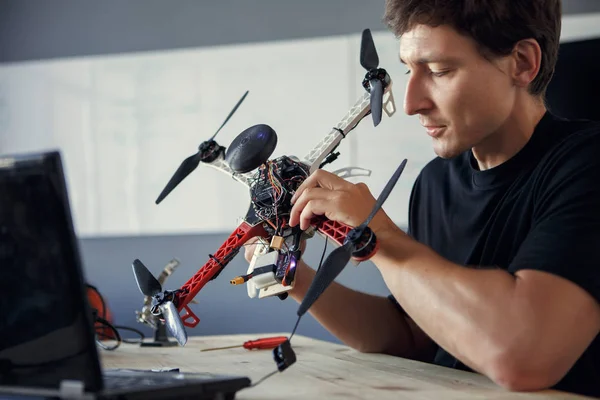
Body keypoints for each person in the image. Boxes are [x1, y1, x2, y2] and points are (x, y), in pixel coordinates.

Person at [245, 0, 600, 396]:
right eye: (408, 70)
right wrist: (292, 275)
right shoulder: (434, 183)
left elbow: (525, 357)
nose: (412, 103)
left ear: (521, 62)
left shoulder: (587, 165)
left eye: (438, 70)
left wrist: (377, 236)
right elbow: (411, 334)